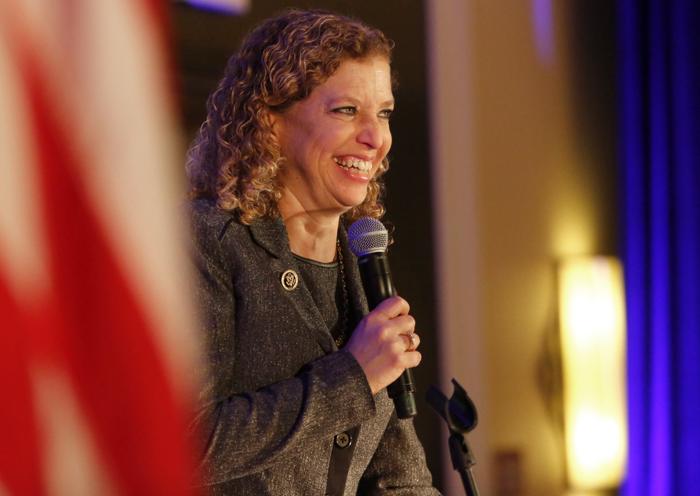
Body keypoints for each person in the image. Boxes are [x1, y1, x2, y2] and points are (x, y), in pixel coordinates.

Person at [187, 9, 439, 495]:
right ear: (271, 121)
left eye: (383, 112)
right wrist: (351, 378)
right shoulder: (207, 242)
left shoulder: (365, 267)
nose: (375, 137)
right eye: (346, 110)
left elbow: (399, 478)